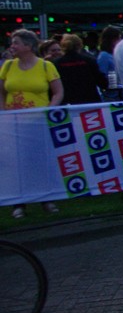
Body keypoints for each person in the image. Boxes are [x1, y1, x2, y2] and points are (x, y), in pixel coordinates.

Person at [0, 29, 64, 218]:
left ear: (28, 46)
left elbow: (58, 92)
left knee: (39, 161)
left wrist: (48, 110)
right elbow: (1, 91)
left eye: (16, 42)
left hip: (37, 123)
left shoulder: (45, 66)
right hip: (14, 124)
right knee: (16, 162)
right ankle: (18, 203)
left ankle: (46, 199)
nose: (12, 46)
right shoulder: (8, 66)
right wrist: (4, 112)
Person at [54, 34, 107, 104]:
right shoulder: (89, 61)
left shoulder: (57, 63)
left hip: (67, 102)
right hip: (90, 101)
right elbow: (102, 82)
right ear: (80, 45)